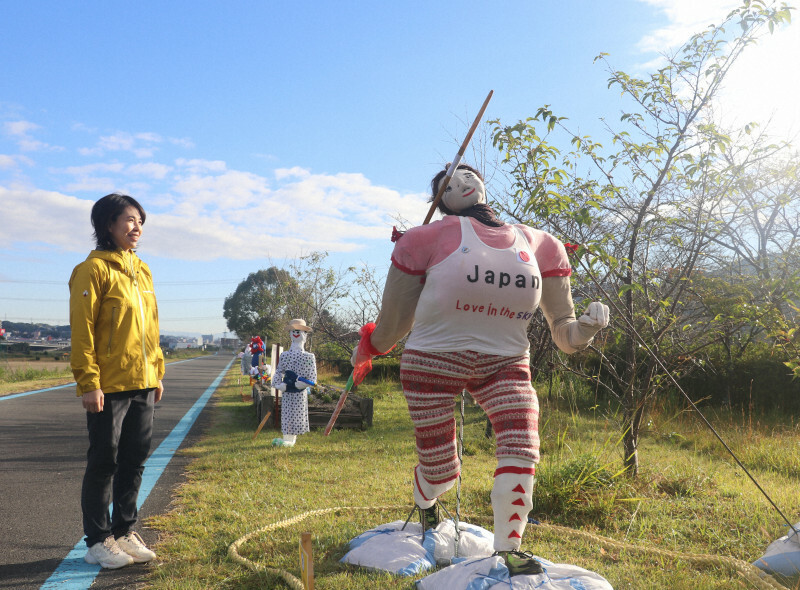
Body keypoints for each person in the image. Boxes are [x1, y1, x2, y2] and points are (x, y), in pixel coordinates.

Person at [351, 164, 609, 576]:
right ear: (440, 202)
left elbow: (565, 332)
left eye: (467, 174)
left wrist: (590, 329)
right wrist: (367, 349)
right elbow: (392, 326)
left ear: (483, 183)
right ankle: (427, 504)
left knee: (523, 445)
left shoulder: (540, 244)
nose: (462, 182)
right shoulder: (422, 240)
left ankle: (509, 551)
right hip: (432, 360)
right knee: (442, 469)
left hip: (505, 363)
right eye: (447, 184)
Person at [69, 193, 165, 569]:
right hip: (108, 385)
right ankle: (97, 540)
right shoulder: (91, 270)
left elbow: (152, 328)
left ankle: (125, 531)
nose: (136, 226)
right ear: (107, 225)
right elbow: (83, 331)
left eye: (140, 220)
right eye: (128, 219)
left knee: (134, 460)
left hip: (143, 382)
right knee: (104, 462)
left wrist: (157, 370)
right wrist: (89, 382)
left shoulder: (142, 270)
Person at [271, 319, 317, 447]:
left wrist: (301, 384)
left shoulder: (309, 357)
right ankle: (287, 438)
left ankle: (291, 440)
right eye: (293, 331)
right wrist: (278, 384)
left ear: (304, 334)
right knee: (286, 413)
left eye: (298, 331)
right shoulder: (285, 355)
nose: (295, 333)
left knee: (297, 414)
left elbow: (312, 378)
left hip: (299, 392)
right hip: (287, 391)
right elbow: (279, 370)